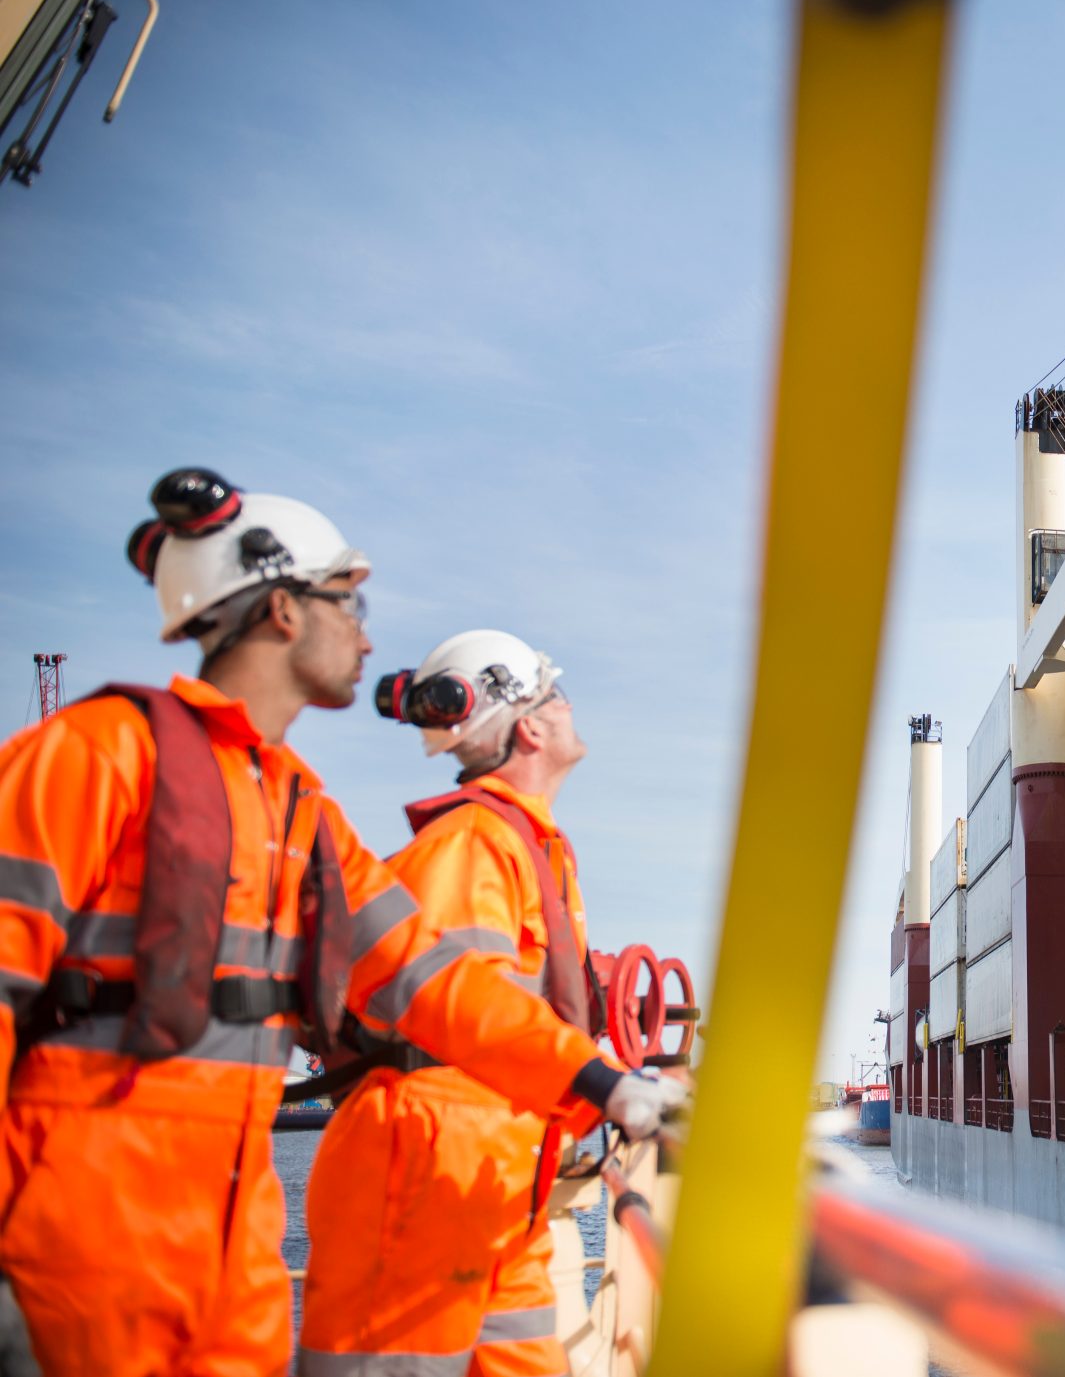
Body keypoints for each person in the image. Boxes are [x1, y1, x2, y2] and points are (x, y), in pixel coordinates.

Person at [0, 469, 677, 1377]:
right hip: (82, 1243)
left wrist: (596, 1079)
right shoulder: (96, 755)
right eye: (346, 603)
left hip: (233, 1251)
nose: (365, 635)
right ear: (281, 610)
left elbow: (439, 982)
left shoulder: (301, 817)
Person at [301, 630, 669, 1376]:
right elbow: (457, 1010)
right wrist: (598, 1082)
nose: (570, 708)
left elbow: (514, 1013)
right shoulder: (472, 844)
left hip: (498, 1182)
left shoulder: (527, 845)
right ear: (531, 725)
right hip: (428, 1176)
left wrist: (609, 1080)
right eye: (556, 693)